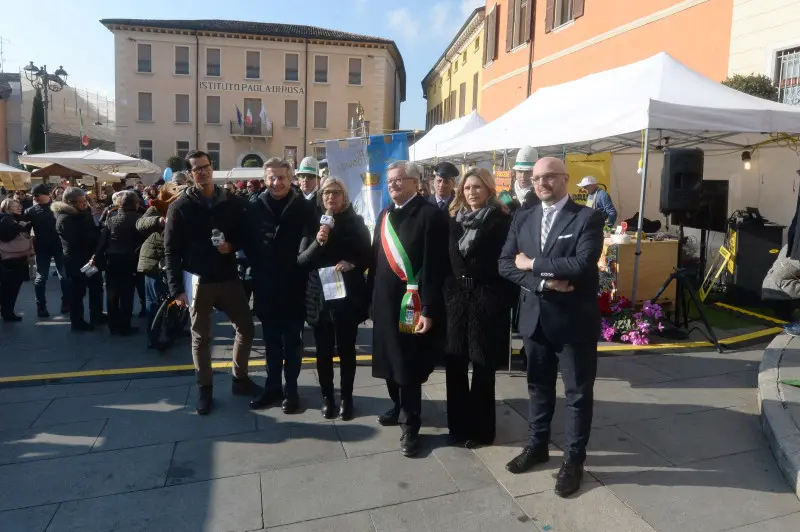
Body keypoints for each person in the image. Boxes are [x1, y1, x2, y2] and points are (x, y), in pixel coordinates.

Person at [498, 157, 605, 498]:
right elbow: (504, 264)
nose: (542, 182)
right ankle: (537, 446)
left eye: (549, 177)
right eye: (536, 177)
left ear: (565, 179)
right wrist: (543, 283)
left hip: (574, 322)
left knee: (576, 394)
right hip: (535, 318)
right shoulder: (523, 217)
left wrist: (532, 264)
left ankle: (573, 461)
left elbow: (581, 263)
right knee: (538, 388)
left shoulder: (587, 217)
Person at [164, 150, 261, 415]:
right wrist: (176, 290)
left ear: (212, 167)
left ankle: (239, 379)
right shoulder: (179, 207)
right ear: (191, 174)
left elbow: (246, 234)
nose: (203, 172)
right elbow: (170, 251)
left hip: (228, 278)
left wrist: (232, 246)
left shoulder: (231, 201)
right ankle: (204, 391)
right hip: (199, 282)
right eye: (197, 169)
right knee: (201, 339)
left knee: (246, 328)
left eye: (206, 167)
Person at [368, 161, 449, 457]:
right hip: (384, 302)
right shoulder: (385, 214)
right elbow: (375, 259)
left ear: (416, 182)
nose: (393, 185)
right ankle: (398, 405)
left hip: (412, 304)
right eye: (389, 181)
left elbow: (435, 266)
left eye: (399, 179)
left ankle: (411, 424)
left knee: (408, 363)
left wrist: (428, 308)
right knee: (390, 359)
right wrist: (371, 300)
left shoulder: (431, 216)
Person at [443, 168, 516, 449]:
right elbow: (447, 260)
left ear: (488, 190)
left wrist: (497, 299)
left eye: (477, 187)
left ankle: (483, 430)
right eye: (467, 187)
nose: (471, 192)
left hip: (487, 300)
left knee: (483, 368)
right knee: (455, 364)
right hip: (458, 302)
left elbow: (507, 264)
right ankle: (458, 426)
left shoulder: (501, 220)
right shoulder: (454, 220)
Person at [297, 177, 371, 420]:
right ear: (321, 197)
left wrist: (353, 264)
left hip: (346, 296)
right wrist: (319, 242)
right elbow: (302, 260)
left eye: (336, 193)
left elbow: (368, 257)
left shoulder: (356, 222)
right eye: (327, 192)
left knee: (347, 349)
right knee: (323, 349)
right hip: (319, 296)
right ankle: (327, 396)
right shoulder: (312, 222)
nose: (331, 197)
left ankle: (347, 397)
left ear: (344, 196)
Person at [248, 157, 314, 414]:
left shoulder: (304, 207)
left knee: (293, 342)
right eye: (271, 178)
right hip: (265, 285)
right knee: (271, 341)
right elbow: (246, 239)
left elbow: (312, 240)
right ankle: (273, 386)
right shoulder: (254, 206)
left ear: (291, 179)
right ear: (265, 180)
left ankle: (292, 389)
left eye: (281, 178)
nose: (277, 183)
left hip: (294, 285)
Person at [137, 183, 186, 347]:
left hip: (175, 260)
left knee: (174, 297)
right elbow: (140, 224)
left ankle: (174, 330)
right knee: (155, 301)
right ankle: (154, 337)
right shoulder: (159, 206)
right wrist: (159, 220)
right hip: (154, 260)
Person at [54, 187, 106, 332]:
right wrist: (98, 235)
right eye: (82, 201)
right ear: (72, 202)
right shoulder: (65, 218)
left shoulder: (82, 213)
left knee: (96, 287)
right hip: (76, 260)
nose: (85, 203)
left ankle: (97, 315)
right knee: (78, 292)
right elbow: (78, 240)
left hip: (90, 259)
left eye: (85, 200)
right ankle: (77, 322)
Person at [95, 190, 142, 335]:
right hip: (129, 259)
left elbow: (102, 241)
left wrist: (96, 257)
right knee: (127, 293)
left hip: (112, 259)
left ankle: (113, 324)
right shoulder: (138, 219)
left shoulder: (111, 218)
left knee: (112, 293)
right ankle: (125, 325)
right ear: (135, 203)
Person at [24, 183, 70, 317]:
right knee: (40, 278)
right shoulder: (30, 211)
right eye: (33, 195)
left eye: (37, 195)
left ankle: (66, 302)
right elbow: (25, 232)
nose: (35, 198)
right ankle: (41, 305)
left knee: (65, 277)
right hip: (42, 248)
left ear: (46, 195)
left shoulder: (59, 207)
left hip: (60, 246)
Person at [0, 198, 33, 321]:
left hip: (15, 257)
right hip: (10, 258)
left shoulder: (15, 218)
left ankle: (7, 311)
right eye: (14, 206)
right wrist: (19, 227)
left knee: (10, 286)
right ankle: (7, 313)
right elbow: (5, 236)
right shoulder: (6, 218)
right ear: (7, 207)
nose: (19, 208)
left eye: (19, 205)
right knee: (10, 286)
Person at [508, 145, 541, 211]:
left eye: (528, 172)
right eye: (520, 171)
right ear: (515, 172)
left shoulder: (542, 196)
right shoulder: (507, 197)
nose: (523, 176)